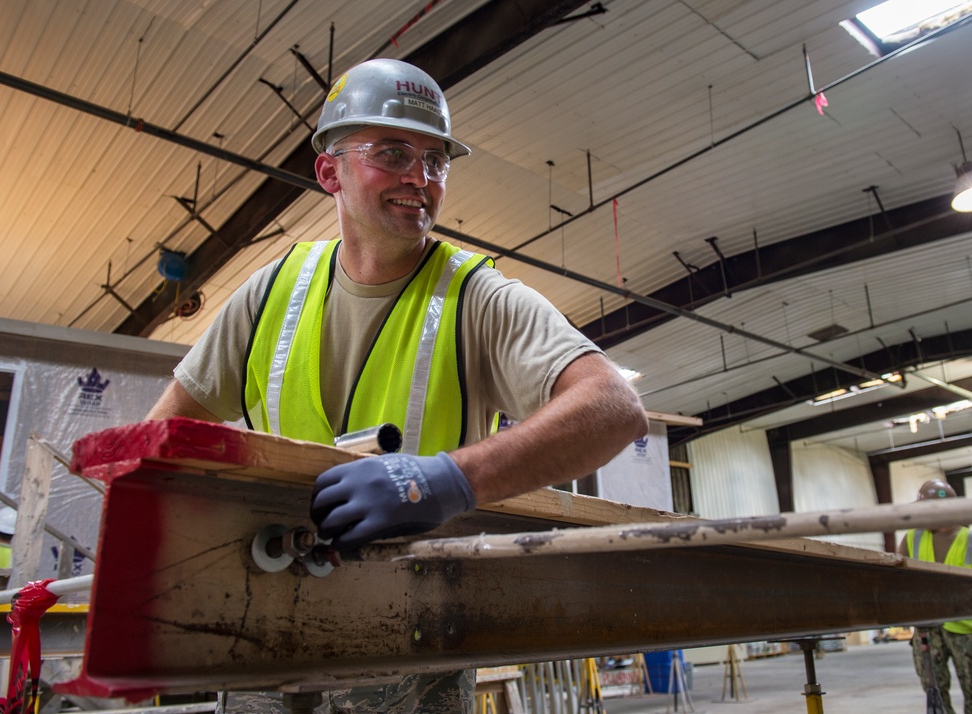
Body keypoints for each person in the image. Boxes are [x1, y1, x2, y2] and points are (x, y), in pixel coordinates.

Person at [147, 58, 647, 713]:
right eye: (392, 153)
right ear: (331, 170)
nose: (421, 177)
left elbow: (613, 407)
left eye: (436, 160)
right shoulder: (269, 293)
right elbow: (163, 441)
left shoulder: (477, 298)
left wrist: (445, 481)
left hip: (414, 642)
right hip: (265, 635)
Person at [898, 479, 972, 714]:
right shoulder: (913, 537)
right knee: (933, 688)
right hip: (927, 627)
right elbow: (897, 576)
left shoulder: (969, 539)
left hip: (965, 630)